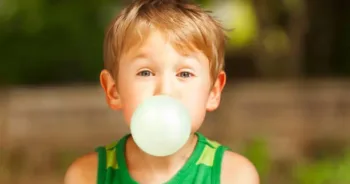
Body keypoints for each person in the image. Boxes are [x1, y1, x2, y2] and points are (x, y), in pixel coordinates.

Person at [64, 0, 259, 183]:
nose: (165, 90)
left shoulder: (233, 176)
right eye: (146, 72)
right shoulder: (88, 176)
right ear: (114, 90)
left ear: (213, 92)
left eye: (184, 74)